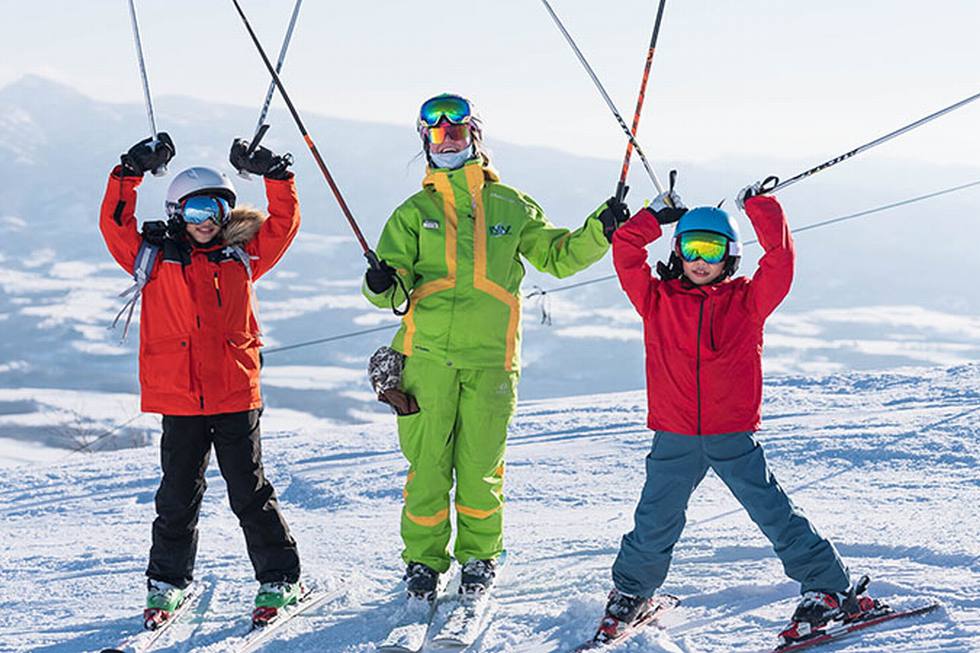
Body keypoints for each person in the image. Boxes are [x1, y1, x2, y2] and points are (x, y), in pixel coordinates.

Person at [362, 93, 627, 602]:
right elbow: (390, 291)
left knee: (482, 468)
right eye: (437, 133)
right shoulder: (413, 213)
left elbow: (558, 256)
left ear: (474, 135)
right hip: (426, 362)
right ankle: (423, 562)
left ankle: (480, 559)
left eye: (456, 130)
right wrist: (379, 282)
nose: (448, 139)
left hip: (491, 363)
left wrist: (601, 229)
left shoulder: (511, 206)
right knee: (428, 471)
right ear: (425, 140)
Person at [592, 184, 881, 647]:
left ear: (730, 255)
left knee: (774, 512)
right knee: (654, 519)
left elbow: (780, 260)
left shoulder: (748, 302)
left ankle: (830, 587)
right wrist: (655, 215)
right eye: (690, 248)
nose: (699, 259)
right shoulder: (656, 300)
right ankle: (631, 593)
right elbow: (625, 249)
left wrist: (759, 207)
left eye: (710, 249)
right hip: (675, 434)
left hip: (731, 433)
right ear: (678, 252)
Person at [99, 133, 304, 629]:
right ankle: (167, 583)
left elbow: (283, 224)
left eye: (214, 210)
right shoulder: (153, 259)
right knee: (176, 495)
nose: (206, 223)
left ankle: (279, 576)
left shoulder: (243, 257)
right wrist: (129, 169)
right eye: (193, 213)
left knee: (247, 490)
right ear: (176, 214)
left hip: (234, 392)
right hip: (180, 397)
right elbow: (114, 223)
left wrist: (277, 174)